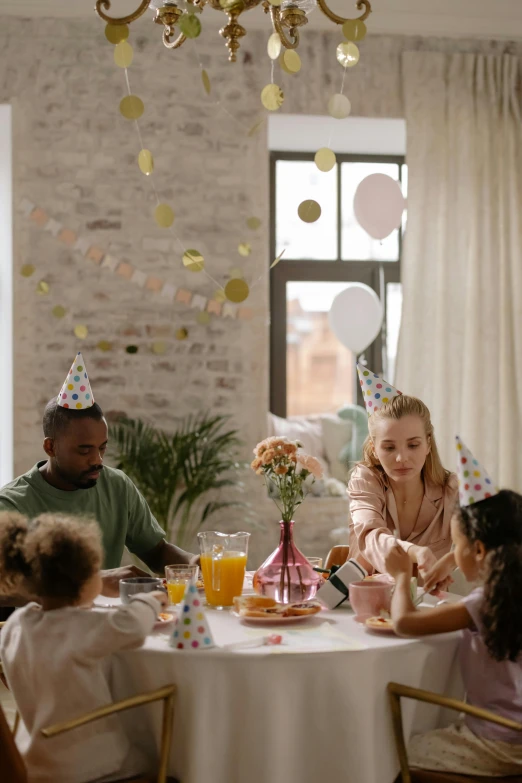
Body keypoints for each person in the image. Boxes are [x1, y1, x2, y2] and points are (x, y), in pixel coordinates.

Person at [0, 352, 197, 603]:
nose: (97, 460)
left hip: (106, 626)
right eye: (84, 450)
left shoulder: (117, 486)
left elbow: (156, 551)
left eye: (102, 447)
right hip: (43, 635)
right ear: (50, 448)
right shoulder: (11, 505)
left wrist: (194, 564)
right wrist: (95, 581)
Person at [385, 438, 522, 777]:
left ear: (477, 549)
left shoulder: (482, 603)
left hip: (499, 741)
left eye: (455, 544)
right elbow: (489, 548)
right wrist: (452, 559)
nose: (453, 552)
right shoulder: (511, 592)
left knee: (388, 756)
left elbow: (405, 623)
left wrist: (402, 577)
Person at [0, 511, 169, 783]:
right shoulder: (83, 627)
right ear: (81, 583)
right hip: (89, 767)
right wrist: (153, 600)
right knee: (159, 755)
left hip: (35, 759)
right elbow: (132, 625)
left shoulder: (17, 623)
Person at [348, 364, 457, 582]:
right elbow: (371, 538)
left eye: (413, 445)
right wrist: (413, 552)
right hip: (363, 604)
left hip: (426, 607)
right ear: (374, 450)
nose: (401, 458)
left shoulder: (451, 489)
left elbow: (486, 542)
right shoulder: (364, 479)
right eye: (389, 447)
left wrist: (451, 561)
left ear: (428, 445)